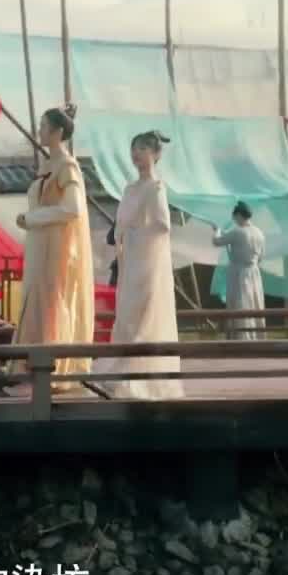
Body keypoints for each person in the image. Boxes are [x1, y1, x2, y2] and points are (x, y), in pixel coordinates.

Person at [5, 105, 95, 397]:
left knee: (50, 307)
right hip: (39, 244)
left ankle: (48, 375)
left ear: (57, 132)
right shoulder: (49, 165)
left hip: (55, 248)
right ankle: (30, 372)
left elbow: (73, 208)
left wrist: (33, 218)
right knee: (35, 304)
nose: (39, 131)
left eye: (44, 126)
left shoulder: (67, 167)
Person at [92, 130, 183, 400]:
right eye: (134, 149)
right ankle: (119, 374)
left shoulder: (156, 188)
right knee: (127, 316)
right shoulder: (130, 188)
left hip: (147, 262)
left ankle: (135, 378)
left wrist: (134, 232)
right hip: (129, 261)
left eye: (143, 149)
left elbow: (163, 225)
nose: (137, 154)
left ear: (155, 154)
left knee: (142, 319)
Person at [213, 201, 267, 340]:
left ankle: (241, 337)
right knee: (254, 303)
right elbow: (261, 257)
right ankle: (256, 335)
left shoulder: (237, 231)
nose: (234, 220)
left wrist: (216, 230)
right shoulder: (259, 232)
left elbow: (217, 241)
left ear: (239, 215)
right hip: (254, 272)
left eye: (235, 216)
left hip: (239, 272)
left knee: (240, 303)